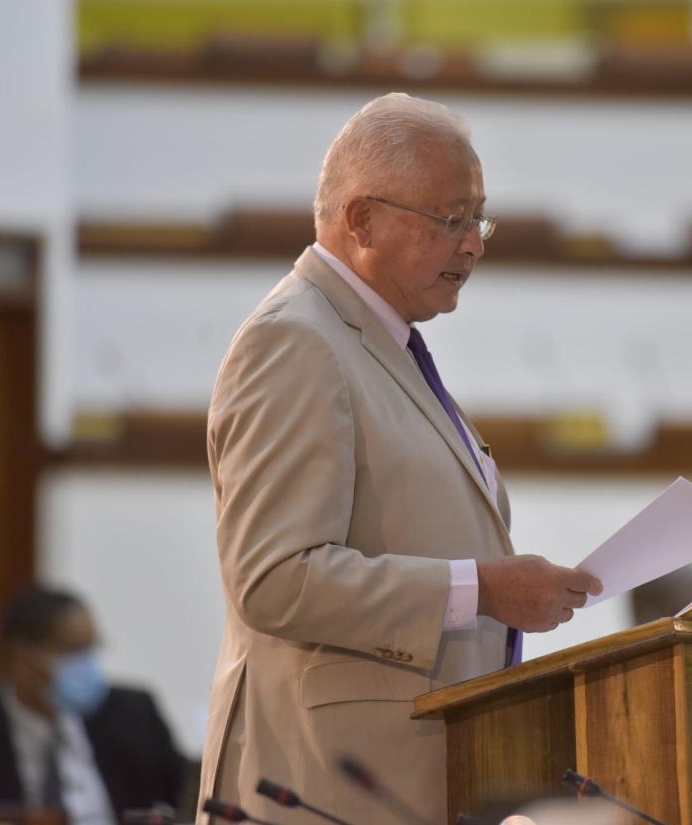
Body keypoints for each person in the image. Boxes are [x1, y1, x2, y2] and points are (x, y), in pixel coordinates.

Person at [200, 93, 602, 825]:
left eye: (478, 218)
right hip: (320, 789)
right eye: (450, 220)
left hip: (405, 784)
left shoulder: (381, 346)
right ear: (361, 220)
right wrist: (478, 588)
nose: (474, 244)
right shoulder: (295, 342)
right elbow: (273, 577)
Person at [0, 586, 186, 822]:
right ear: (22, 658)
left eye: (93, 647)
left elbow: (187, 800)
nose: (89, 665)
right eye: (75, 650)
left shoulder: (135, 716)